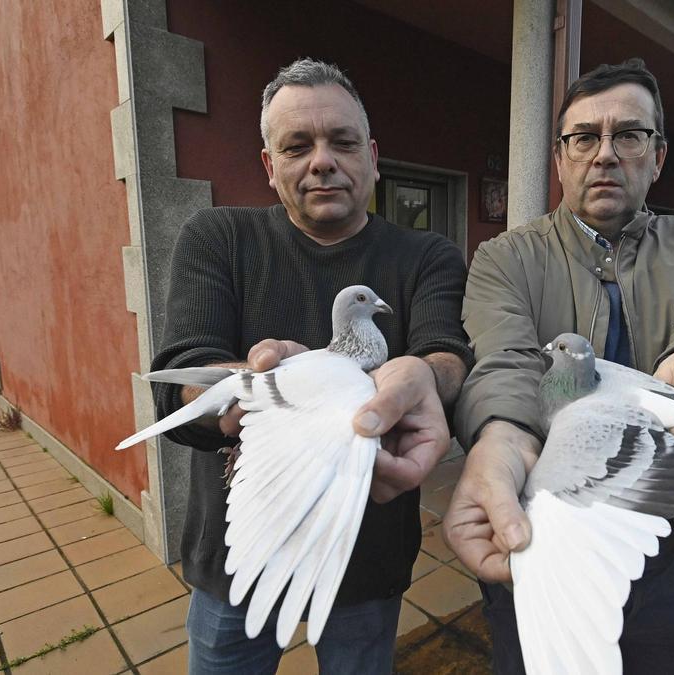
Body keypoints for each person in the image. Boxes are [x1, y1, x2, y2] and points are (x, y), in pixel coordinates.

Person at [444, 58, 674, 673]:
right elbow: (504, 360)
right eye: (584, 138)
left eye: (628, 134)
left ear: (658, 156)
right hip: (548, 529)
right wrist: (504, 432)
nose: (605, 154)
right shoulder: (504, 258)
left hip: (666, 533)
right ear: (561, 157)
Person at [150, 58, 472, 675]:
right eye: (297, 146)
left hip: (365, 551)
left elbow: (445, 352)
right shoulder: (218, 237)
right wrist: (262, 394)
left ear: (372, 157)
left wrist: (426, 377)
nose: (322, 160)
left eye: (342, 142)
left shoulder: (427, 254)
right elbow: (181, 375)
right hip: (239, 550)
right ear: (270, 167)